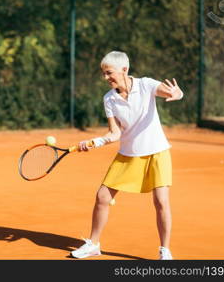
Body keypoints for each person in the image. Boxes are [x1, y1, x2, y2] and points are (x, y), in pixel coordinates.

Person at [70, 51, 183, 260]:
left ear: (124, 70)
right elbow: (115, 133)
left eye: (109, 73)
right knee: (102, 197)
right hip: (128, 154)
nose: (106, 78)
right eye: (103, 74)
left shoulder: (146, 85)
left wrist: (177, 94)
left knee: (161, 202)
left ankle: (164, 251)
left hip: (156, 152)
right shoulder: (109, 99)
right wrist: (94, 142)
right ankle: (94, 244)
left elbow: (169, 92)